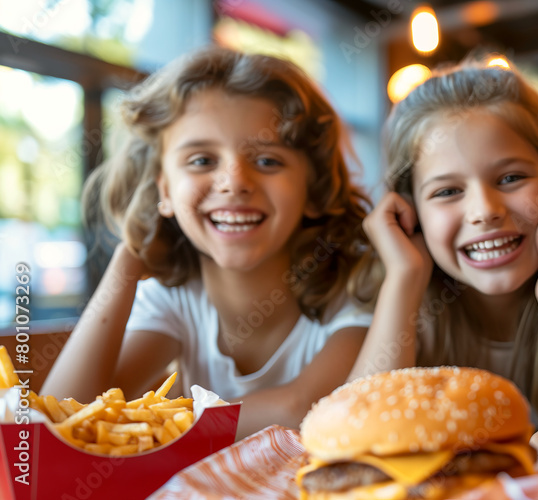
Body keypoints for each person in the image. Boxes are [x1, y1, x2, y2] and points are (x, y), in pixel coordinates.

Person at [42, 47, 377, 439]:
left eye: (268, 161)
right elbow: (63, 420)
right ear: (163, 190)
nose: (234, 181)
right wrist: (126, 263)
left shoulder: (355, 288)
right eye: (202, 160)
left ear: (314, 189)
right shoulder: (174, 298)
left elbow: (302, 407)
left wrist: (159, 425)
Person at [349, 60, 538, 469]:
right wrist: (404, 280)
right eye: (447, 191)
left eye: (511, 178)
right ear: (409, 213)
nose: (484, 211)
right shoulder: (401, 286)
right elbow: (356, 441)